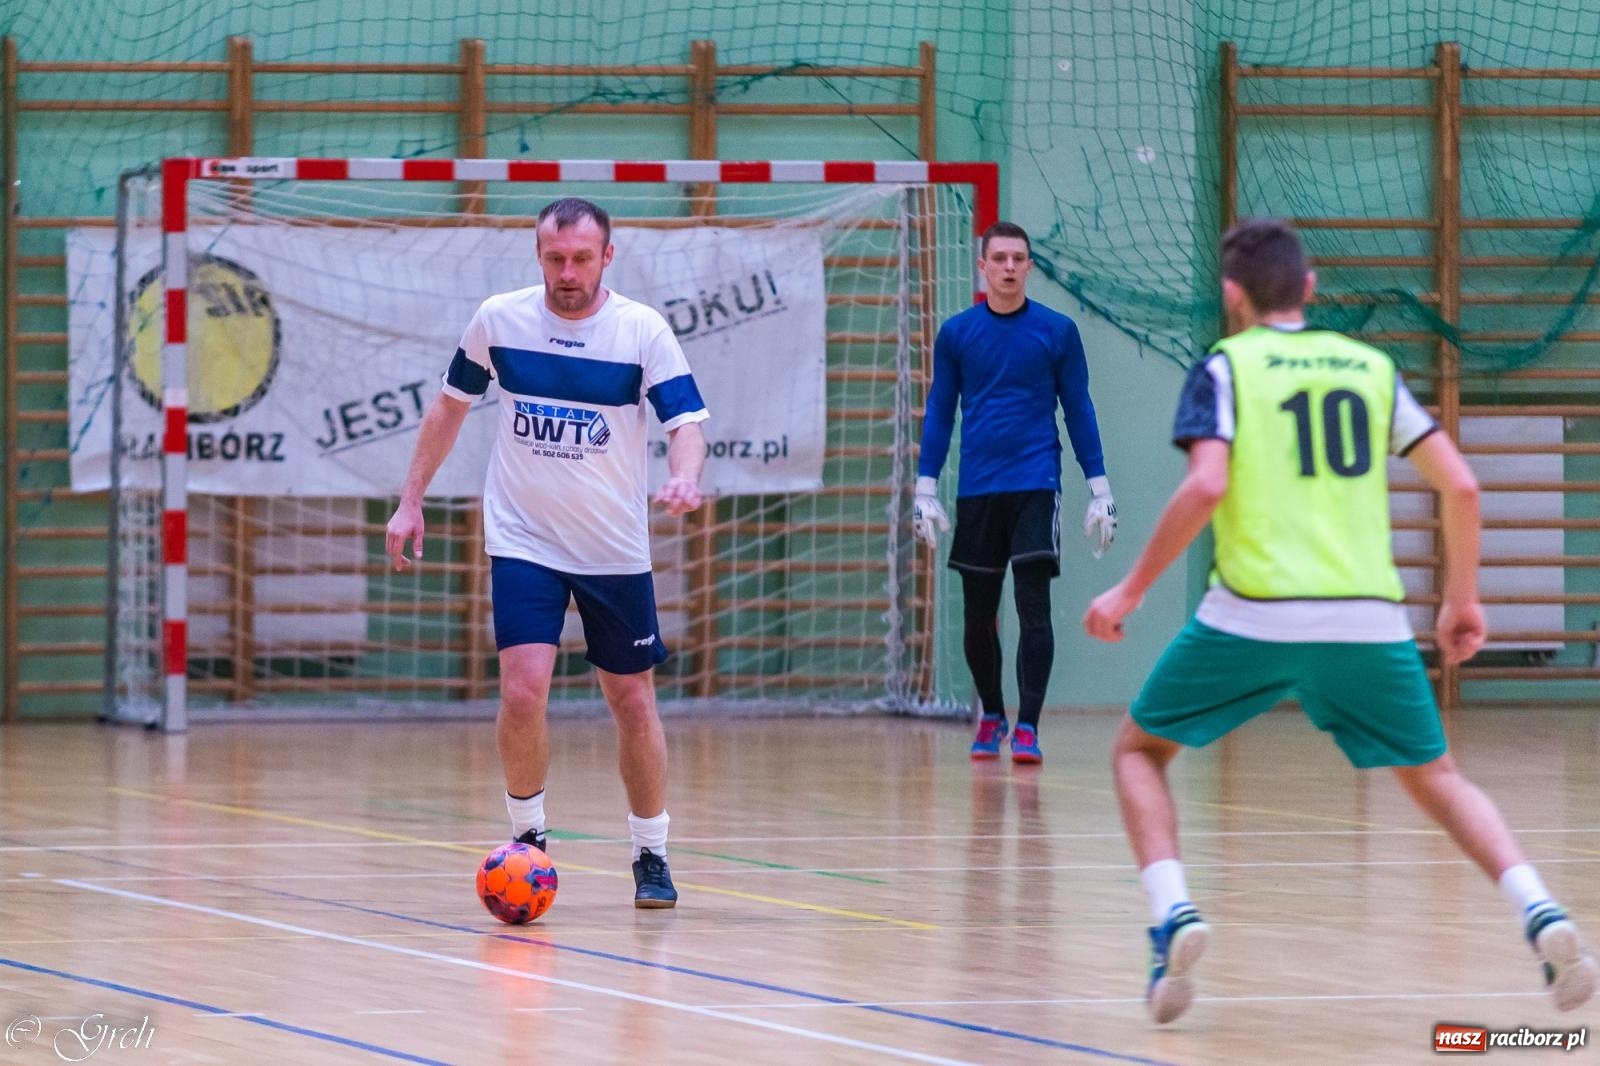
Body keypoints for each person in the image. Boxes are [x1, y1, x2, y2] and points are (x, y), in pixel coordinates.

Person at [1084, 217, 1597, 1023]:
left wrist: (1129, 590)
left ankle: (1173, 915)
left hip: (1252, 615)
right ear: (1311, 288)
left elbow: (1207, 485)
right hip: (1367, 620)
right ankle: (1540, 910)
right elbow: (1461, 486)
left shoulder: (1225, 367)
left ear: (1232, 295)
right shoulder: (1370, 367)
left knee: (1138, 753)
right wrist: (1461, 598)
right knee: (1437, 778)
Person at [385, 197, 709, 909]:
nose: (567, 272)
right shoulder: (499, 319)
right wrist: (411, 499)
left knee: (631, 700)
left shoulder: (641, 330)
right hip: (523, 538)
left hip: (611, 547)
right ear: (538, 255)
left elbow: (685, 423)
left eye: (581, 259)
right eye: (555, 258)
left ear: (607, 257)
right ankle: (527, 838)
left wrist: (685, 475)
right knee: (522, 691)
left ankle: (651, 852)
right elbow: (448, 407)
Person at [914, 221, 1115, 765]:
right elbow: (940, 410)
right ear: (983, 267)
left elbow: (1079, 408)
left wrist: (1100, 489)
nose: (1008, 267)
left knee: (1033, 607)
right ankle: (991, 716)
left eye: (1017, 258)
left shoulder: (1058, 331)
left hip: (1036, 484)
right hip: (978, 489)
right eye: (999, 258)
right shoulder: (957, 334)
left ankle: (1027, 726)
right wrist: (925, 487)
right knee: (978, 615)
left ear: (1028, 266)